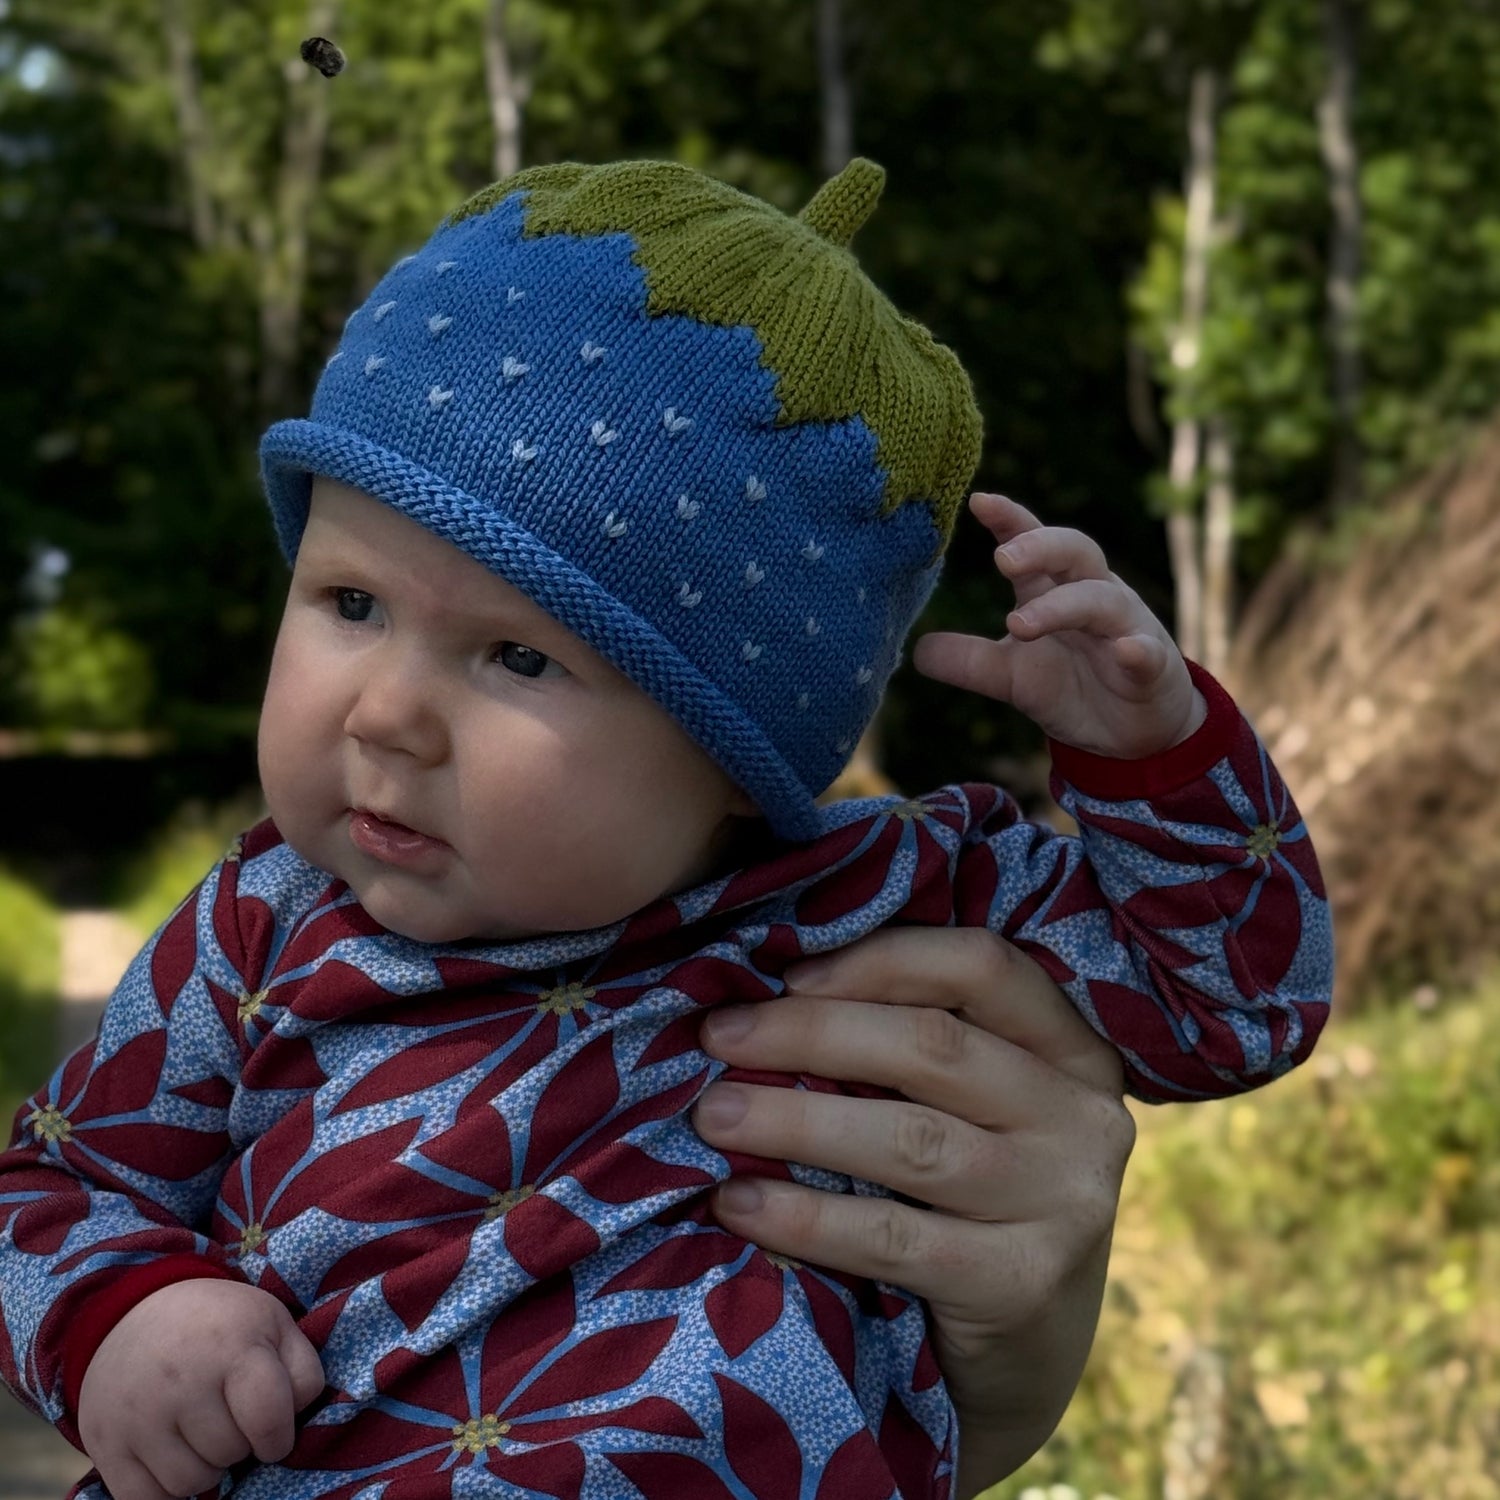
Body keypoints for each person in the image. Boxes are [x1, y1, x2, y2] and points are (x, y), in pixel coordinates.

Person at [0, 157, 1331, 1500]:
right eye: (349, 602)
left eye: (519, 658)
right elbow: (48, 1195)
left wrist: (1157, 762)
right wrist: (120, 1320)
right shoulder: (261, 927)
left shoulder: (895, 897)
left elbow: (1231, 1007)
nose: (387, 713)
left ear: (744, 743)